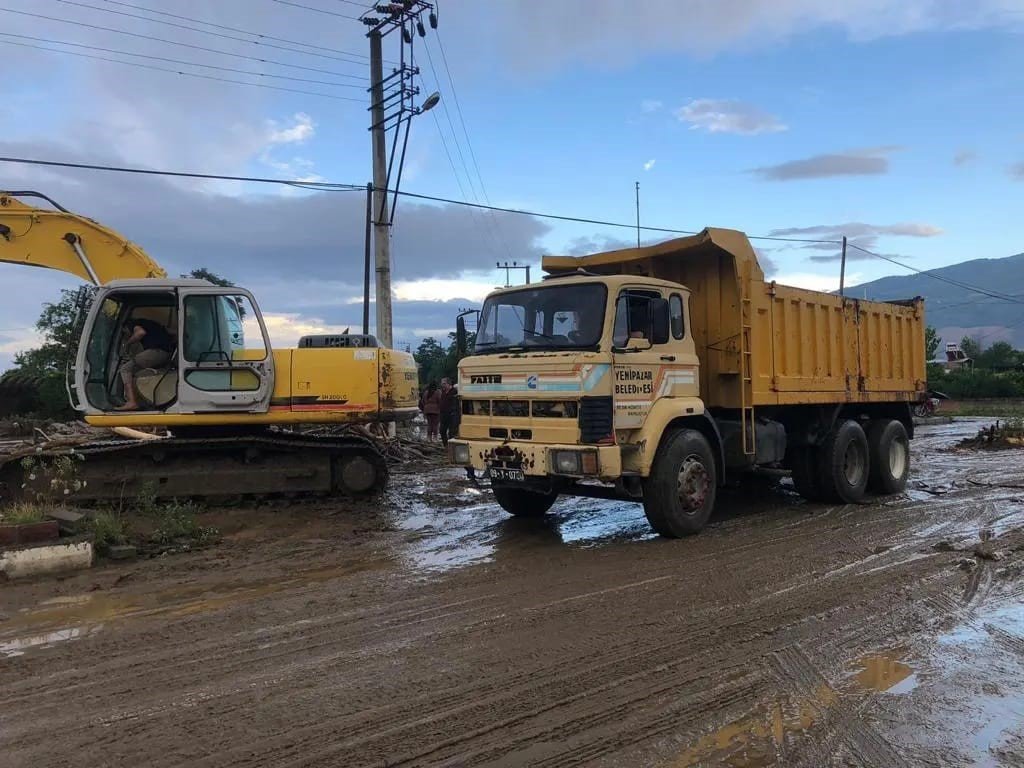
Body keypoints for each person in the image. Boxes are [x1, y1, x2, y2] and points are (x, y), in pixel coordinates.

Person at [116, 317, 174, 411]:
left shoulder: (135, 324)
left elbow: (140, 333)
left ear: (126, 327)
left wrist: (128, 344)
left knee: (125, 369)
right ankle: (142, 400)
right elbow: (172, 333)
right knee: (135, 371)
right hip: (166, 354)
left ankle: (131, 402)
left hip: (156, 352)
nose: (126, 334)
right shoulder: (153, 324)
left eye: (125, 332)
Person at [439, 377, 461, 446]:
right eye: (442, 383)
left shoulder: (455, 392)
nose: (442, 385)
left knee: (451, 433)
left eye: (444, 383)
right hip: (443, 415)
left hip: (452, 415)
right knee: (442, 431)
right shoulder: (443, 392)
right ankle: (446, 446)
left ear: (449, 384)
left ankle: (451, 447)